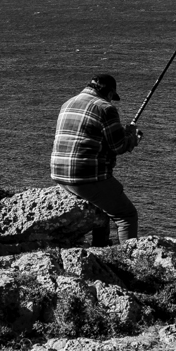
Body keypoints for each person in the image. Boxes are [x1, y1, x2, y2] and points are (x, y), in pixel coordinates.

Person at [50, 73, 141, 245]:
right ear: (109, 93)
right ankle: (130, 260)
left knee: (103, 208)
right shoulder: (105, 108)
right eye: (112, 98)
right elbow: (119, 146)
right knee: (126, 215)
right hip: (83, 176)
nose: (112, 101)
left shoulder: (67, 103)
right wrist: (133, 138)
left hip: (59, 174)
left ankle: (100, 249)